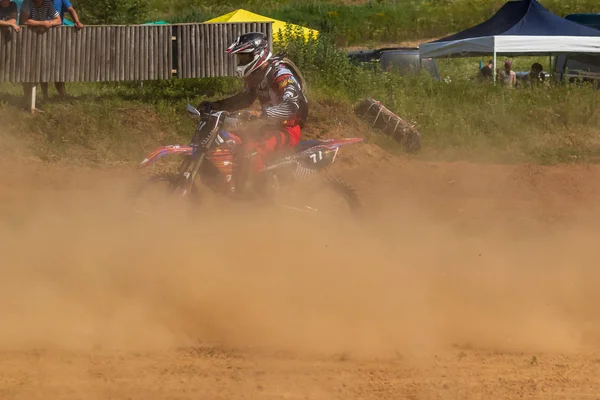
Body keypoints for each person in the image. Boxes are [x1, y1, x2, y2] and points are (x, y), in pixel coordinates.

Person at [198, 32, 309, 197]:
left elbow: (294, 106)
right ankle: (237, 190)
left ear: (258, 54)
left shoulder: (280, 73)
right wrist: (215, 106)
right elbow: (245, 98)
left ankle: (264, 199)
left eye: (244, 57)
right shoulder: (256, 76)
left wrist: (262, 114)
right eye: (240, 58)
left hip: (288, 129)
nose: (241, 61)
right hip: (268, 128)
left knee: (251, 152)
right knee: (230, 143)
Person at [19, 0, 61, 101]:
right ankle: (27, 97)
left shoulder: (48, 3)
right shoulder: (27, 3)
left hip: (42, 41)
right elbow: (25, 21)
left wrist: (49, 23)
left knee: (43, 68)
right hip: (27, 40)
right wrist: (43, 23)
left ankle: (45, 96)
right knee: (27, 69)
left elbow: (58, 20)